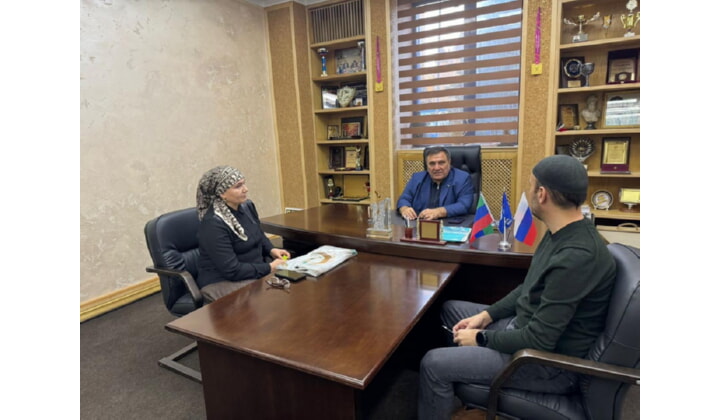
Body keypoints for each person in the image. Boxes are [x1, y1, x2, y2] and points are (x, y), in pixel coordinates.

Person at [417, 155, 617, 419]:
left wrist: (480, 338)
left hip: (546, 363)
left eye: (531, 184)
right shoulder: (561, 232)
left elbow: (539, 340)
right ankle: (457, 386)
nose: (528, 190)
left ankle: (449, 377)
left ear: (542, 194)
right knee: (451, 309)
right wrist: (486, 315)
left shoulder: (577, 255)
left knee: (432, 363)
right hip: (523, 329)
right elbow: (528, 287)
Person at [196, 165, 290, 302]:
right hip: (222, 281)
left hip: (252, 272)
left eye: (244, 183)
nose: (245, 189)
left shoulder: (246, 207)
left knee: (292, 285)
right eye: (238, 186)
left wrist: (271, 249)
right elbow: (232, 270)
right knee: (269, 300)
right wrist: (269, 267)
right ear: (222, 193)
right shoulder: (213, 224)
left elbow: (258, 234)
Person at [396, 147, 475, 220]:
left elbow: (464, 205)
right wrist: (404, 208)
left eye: (441, 163)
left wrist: (438, 212)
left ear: (449, 162)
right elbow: (404, 198)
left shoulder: (462, 178)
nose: (436, 168)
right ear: (427, 165)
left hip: (449, 225)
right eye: (432, 164)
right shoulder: (417, 178)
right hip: (420, 224)